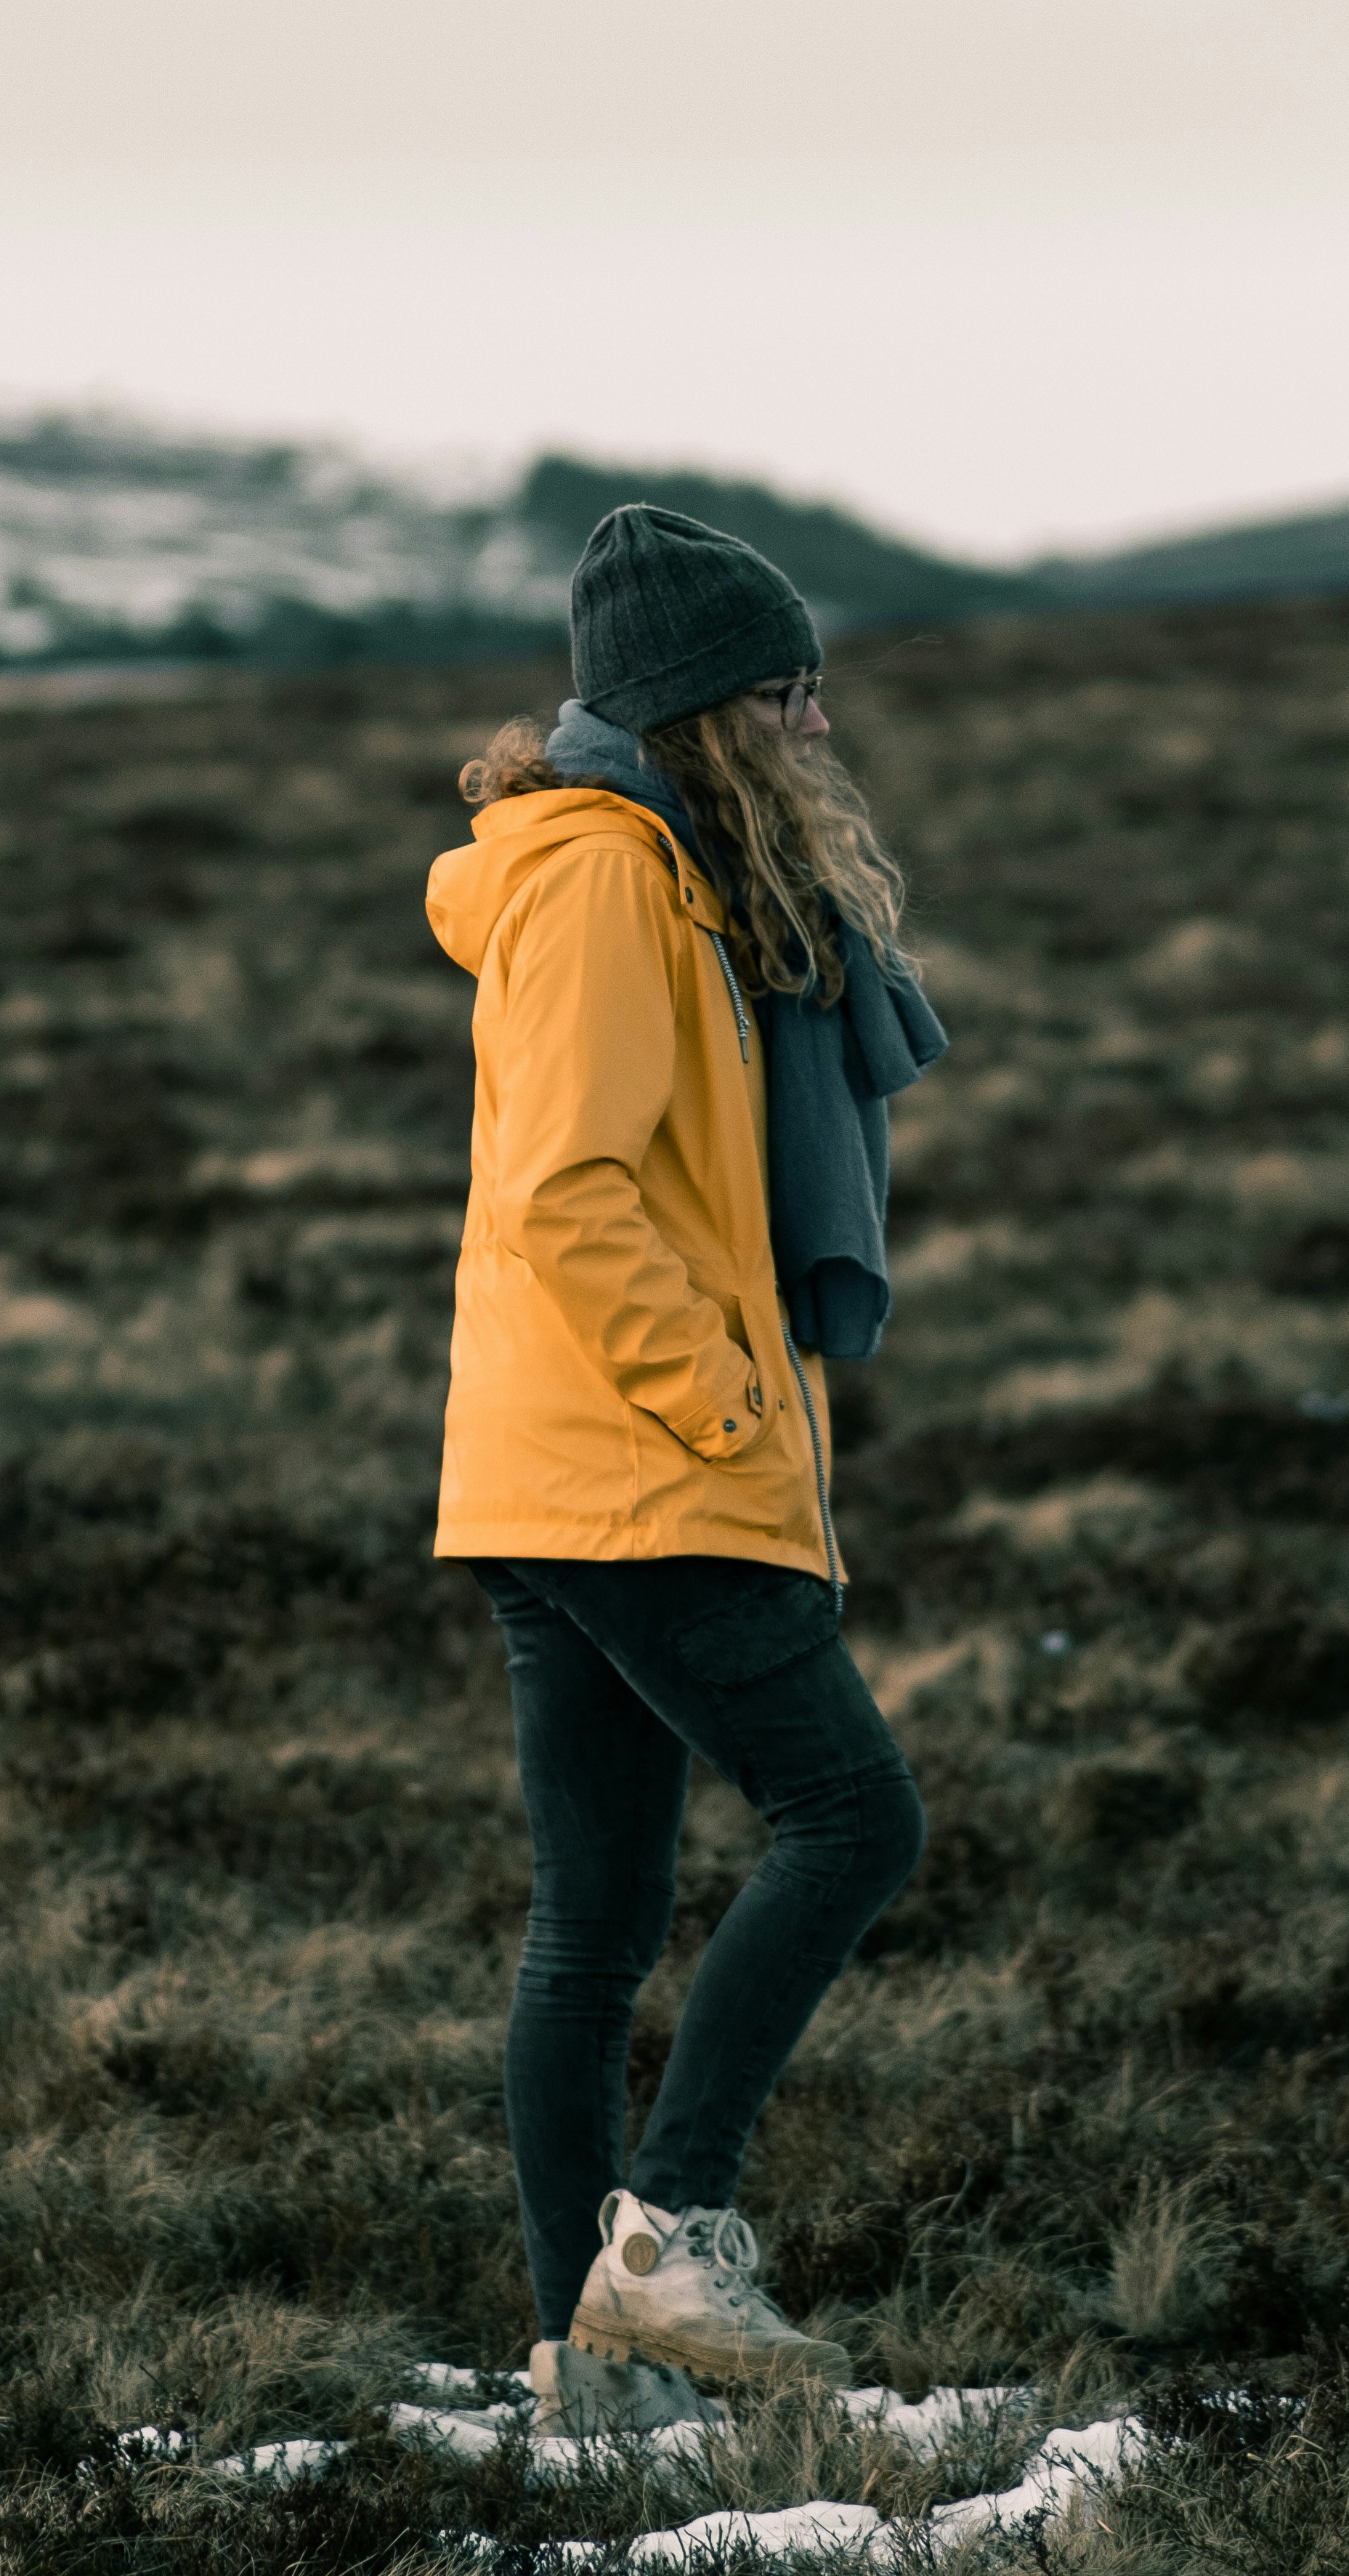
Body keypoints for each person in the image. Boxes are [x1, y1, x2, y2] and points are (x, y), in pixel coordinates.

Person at [426, 501, 941, 2439]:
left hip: (562, 1473)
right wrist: (720, 1398)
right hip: (629, 1471)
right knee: (852, 1822)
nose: (820, 727)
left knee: (599, 1918)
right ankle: (671, 2253)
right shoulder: (603, 884)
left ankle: (587, 2366)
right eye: (790, 694)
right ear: (708, 709)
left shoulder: (676, 880)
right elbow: (567, 1191)